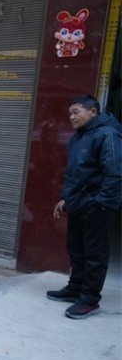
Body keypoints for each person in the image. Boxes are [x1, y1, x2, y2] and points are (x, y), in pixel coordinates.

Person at [48, 95, 121, 319]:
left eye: (77, 112)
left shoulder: (107, 134)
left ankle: (90, 300)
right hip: (78, 203)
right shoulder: (79, 137)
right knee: (76, 248)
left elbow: (115, 173)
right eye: (70, 113)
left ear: (93, 112)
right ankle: (75, 288)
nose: (72, 117)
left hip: (96, 206)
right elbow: (75, 174)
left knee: (94, 254)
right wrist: (66, 199)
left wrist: (100, 204)